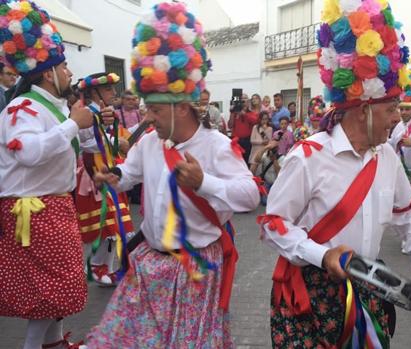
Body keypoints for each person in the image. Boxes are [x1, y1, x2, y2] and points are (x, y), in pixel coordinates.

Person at [259, 1, 411, 347]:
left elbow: (407, 214)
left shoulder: (386, 156)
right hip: (310, 298)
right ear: (363, 110)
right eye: (390, 110)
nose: (396, 120)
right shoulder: (308, 156)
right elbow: (272, 225)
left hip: (370, 289)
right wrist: (322, 255)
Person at [85, 3, 259, 347]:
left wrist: (204, 183)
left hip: (195, 269)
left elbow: (250, 196)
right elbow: (129, 174)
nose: (149, 118)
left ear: (182, 107)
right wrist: (112, 175)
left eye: (156, 110)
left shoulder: (216, 145)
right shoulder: (150, 143)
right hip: (150, 265)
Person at [0, 1, 93, 348]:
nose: (69, 73)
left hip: (50, 207)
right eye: (65, 66)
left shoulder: (49, 106)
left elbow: (66, 148)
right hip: (35, 212)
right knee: (50, 289)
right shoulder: (21, 107)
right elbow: (28, 152)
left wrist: (83, 125)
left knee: (56, 288)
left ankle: (53, 345)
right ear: (46, 73)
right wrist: (72, 124)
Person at [75, 72, 134, 286]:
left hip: (107, 173)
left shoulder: (102, 113)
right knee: (107, 226)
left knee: (114, 226)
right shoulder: (85, 114)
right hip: (92, 177)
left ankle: (105, 268)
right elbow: (84, 142)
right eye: (108, 89)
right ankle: (97, 267)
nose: (113, 93)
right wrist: (114, 141)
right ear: (94, 92)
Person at [228, 93, 258, 164]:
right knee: (236, 162)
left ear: (248, 101)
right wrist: (232, 112)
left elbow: (255, 121)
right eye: (241, 98)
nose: (243, 100)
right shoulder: (235, 113)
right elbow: (230, 125)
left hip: (247, 141)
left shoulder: (252, 113)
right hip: (236, 141)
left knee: (247, 161)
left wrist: (243, 114)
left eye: (245, 98)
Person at [251, 140, 284, 205]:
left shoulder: (282, 158)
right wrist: (265, 148)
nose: (272, 151)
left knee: (273, 201)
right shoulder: (265, 156)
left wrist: (274, 160)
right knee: (265, 201)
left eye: (274, 149)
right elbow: (256, 160)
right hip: (266, 183)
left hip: (276, 184)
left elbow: (279, 173)